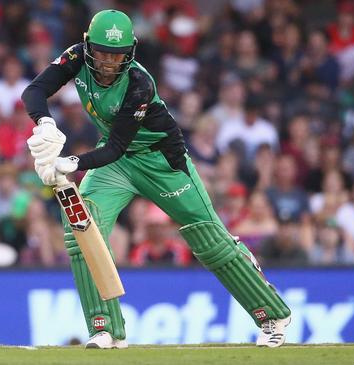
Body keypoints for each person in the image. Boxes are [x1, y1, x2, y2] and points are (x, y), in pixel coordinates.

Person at [21, 10, 291, 349]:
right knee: (81, 228)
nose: (107, 62)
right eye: (102, 52)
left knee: (210, 243)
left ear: (130, 52)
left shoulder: (139, 83)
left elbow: (118, 146)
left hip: (161, 161)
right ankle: (105, 329)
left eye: (117, 55)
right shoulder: (76, 57)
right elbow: (34, 91)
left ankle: (273, 315)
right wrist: (45, 123)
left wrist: (69, 162)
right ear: (89, 46)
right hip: (116, 164)